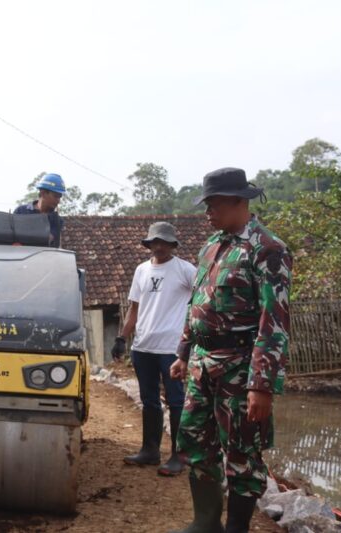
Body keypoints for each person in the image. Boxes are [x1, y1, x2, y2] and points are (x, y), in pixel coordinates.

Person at [169, 168, 292, 533]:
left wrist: (262, 384)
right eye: (206, 205)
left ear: (239, 201)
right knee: (193, 441)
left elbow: (274, 322)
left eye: (214, 204)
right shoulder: (211, 246)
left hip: (240, 370)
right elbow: (197, 305)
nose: (208, 212)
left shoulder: (268, 250)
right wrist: (182, 352)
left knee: (242, 456)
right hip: (202, 366)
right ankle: (205, 522)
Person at [111, 222, 196, 476]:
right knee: (149, 400)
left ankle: (179, 456)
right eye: (154, 242)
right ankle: (150, 450)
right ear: (148, 244)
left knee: (176, 400)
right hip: (143, 346)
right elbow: (134, 309)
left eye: (164, 242)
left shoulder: (186, 270)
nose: (159, 247)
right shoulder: (141, 270)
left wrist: (189, 339)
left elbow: (203, 299)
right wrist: (122, 338)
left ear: (172, 244)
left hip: (171, 347)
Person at [13, 173, 66, 247]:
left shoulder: (57, 220)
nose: (58, 201)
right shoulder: (21, 211)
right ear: (43, 193)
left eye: (60, 197)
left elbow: (49, 241)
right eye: (56, 196)